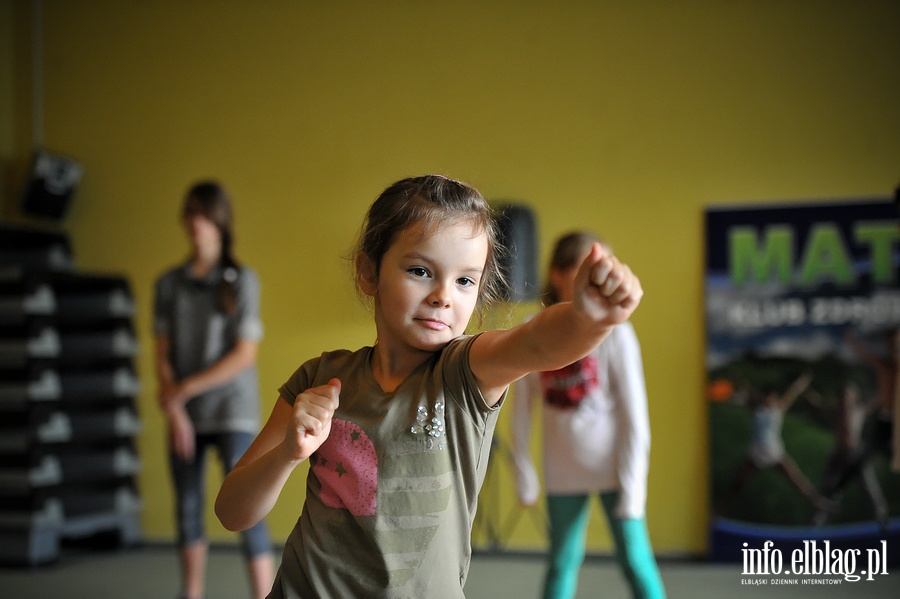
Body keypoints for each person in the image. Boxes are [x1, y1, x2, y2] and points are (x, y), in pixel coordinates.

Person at [214, 175, 644, 598]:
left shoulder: (464, 372)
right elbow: (233, 512)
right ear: (369, 272)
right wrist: (288, 453)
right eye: (421, 271)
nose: (444, 295)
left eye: (465, 280)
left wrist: (589, 318)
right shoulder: (320, 378)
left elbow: (535, 343)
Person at [510, 231, 665, 599]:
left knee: (635, 559)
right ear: (560, 274)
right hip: (563, 471)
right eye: (588, 268)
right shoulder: (536, 329)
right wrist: (523, 471)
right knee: (562, 562)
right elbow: (519, 409)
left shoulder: (617, 333)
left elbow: (634, 418)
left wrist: (634, 485)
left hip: (613, 469)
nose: (602, 277)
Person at [154, 180, 275, 599]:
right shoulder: (168, 284)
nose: (195, 224)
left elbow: (244, 355)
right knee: (187, 508)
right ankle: (192, 593)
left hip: (232, 412)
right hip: (184, 414)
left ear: (220, 222)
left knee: (247, 508)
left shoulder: (243, 280)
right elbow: (162, 355)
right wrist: (176, 411)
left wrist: (184, 389)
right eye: (189, 214)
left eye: (203, 215)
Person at [715, 370, 830, 515]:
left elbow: (794, 390)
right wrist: (735, 378)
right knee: (738, 485)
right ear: (763, 397)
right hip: (756, 452)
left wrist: (805, 379)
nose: (769, 399)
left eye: (771, 396)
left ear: (774, 397)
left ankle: (819, 503)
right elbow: (746, 388)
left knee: (797, 480)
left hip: (775, 452)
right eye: (766, 396)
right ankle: (717, 512)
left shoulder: (779, 408)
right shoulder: (756, 408)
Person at [807, 381, 888, 528]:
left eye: (849, 395)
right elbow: (818, 403)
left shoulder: (860, 410)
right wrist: (808, 391)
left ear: (855, 397)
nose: (846, 399)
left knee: (868, 485)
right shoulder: (835, 410)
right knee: (829, 485)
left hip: (855, 453)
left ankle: (880, 515)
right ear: (839, 398)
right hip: (839, 453)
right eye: (844, 396)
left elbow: (877, 400)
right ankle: (820, 516)